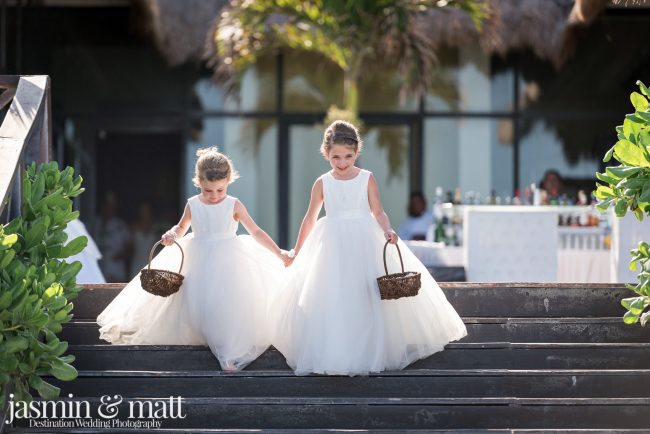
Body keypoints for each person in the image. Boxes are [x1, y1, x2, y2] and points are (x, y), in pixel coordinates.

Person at [271, 120, 467, 376]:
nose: (342, 163)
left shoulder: (366, 178)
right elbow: (309, 218)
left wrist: (387, 229)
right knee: (334, 295)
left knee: (366, 295)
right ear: (326, 153)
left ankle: (367, 349)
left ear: (357, 152)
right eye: (335, 158)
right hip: (332, 244)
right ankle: (337, 351)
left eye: (348, 157)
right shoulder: (322, 182)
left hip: (364, 240)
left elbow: (378, 211)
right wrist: (297, 251)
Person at [97, 147, 290, 371]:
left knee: (226, 304)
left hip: (229, 260)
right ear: (198, 182)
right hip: (198, 258)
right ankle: (209, 340)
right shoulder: (194, 204)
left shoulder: (233, 204)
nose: (215, 195)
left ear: (228, 181)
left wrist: (278, 252)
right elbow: (181, 227)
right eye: (209, 190)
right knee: (202, 303)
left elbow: (255, 232)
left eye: (220, 189)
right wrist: (172, 235)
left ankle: (227, 352)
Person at [92, 192, 130, 282]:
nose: (110, 208)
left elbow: (129, 249)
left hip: (116, 272)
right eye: (107, 205)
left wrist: (121, 255)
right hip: (98, 271)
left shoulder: (121, 225)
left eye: (112, 205)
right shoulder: (95, 224)